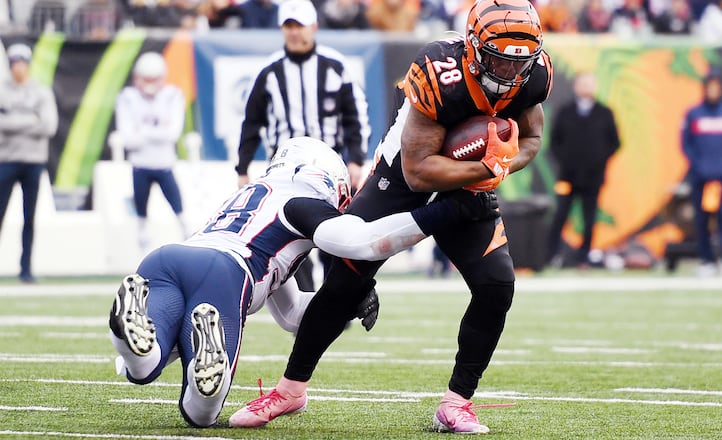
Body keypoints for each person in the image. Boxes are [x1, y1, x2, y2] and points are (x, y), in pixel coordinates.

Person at [228, 0, 552, 434]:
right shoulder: (441, 71)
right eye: (499, 60)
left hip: (471, 182)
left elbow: (531, 136)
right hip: (401, 177)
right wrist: (487, 166)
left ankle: (456, 403)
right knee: (345, 280)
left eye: (519, 64)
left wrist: (503, 163)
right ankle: (290, 391)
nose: (510, 73)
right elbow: (419, 173)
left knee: (497, 284)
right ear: (474, 48)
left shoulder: (532, 75)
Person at [109, 136, 498, 428]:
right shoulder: (303, 204)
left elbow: (294, 314)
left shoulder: (249, 195)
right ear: (326, 177)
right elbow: (365, 242)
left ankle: (130, 336)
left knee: (142, 368)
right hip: (225, 275)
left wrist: (344, 304)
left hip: (166, 260)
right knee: (201, 413)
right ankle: (191, 348)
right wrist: (443, 213)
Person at [235, 0, 370, 291]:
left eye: (300, 26)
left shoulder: (335, 67)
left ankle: (335, 300)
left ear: (314, 27)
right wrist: (242, 168)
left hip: (329, 168)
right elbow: (251, 122)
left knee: (335, 237)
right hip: (286, 169)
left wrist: (357, 159)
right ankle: (308, 305)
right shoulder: (270, 71)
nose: (295, 33)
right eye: (289, 26)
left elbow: (355, 116)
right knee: (291, 240)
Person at [114, 51, 189, 253]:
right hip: (140, 165)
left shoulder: (172, 95)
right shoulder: (128, 97)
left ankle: (190, 245)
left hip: (164, 164)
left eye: (153, 79)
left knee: (181, 215)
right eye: (144, 79)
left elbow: (173, 133)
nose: (148, 84)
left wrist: (143, 131)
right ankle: (142, 253)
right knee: (141, 218)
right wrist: (157, 131)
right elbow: (128, 138)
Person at [546, 72, 620, 268]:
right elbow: (554, 141)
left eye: (590, 84)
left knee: (589, 218)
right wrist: (566, 160)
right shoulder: (565, 111)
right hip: (567, 177)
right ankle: (551, 255)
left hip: (593, 178)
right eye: (583, 83)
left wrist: (598, 160)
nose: (586, 88)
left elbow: (615, 143)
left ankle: (583, 257)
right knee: (560, 214)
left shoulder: (605, 113)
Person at [0, 43, 58, 283]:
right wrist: (30, 120)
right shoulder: (2, 90)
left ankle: (26, 268)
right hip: (7, 160)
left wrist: (12, 121)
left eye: (23, 62)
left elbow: (49, 125)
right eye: (15, 63)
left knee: (29, 217)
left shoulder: (41, 92)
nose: (19, 68)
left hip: (33, 161)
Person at [681, 71, 722, 277]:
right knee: (701, 220)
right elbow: (686, 144)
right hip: (700, 176)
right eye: (710, 87)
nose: (713, 91)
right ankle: (706, 260)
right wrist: (698, 166)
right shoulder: (694, 114)